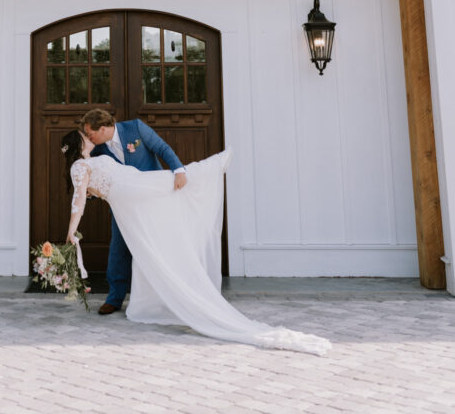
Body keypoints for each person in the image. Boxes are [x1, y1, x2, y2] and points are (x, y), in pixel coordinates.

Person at [61, 129, 331, 356]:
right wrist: (72, 231)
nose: (89, 137)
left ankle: (209, 169)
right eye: (84, 136)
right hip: (129, 192)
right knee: (167, 184)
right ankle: (212, 167)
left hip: (133, 185)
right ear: (77, 144)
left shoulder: (95, 157)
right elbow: (80, 199)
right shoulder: (79, 165)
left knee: (169, 190)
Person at [81, 108, 186, 315]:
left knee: (157, 246)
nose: (88, 138)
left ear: (102, 129)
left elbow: (162, 148)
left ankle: (164, 296)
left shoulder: (136, 128)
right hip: (123, 205)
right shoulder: (98, 150)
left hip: (151, 200)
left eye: (90, 133)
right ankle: (114, 298)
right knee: (118, 250)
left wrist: (179, 170)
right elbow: (94, 177)